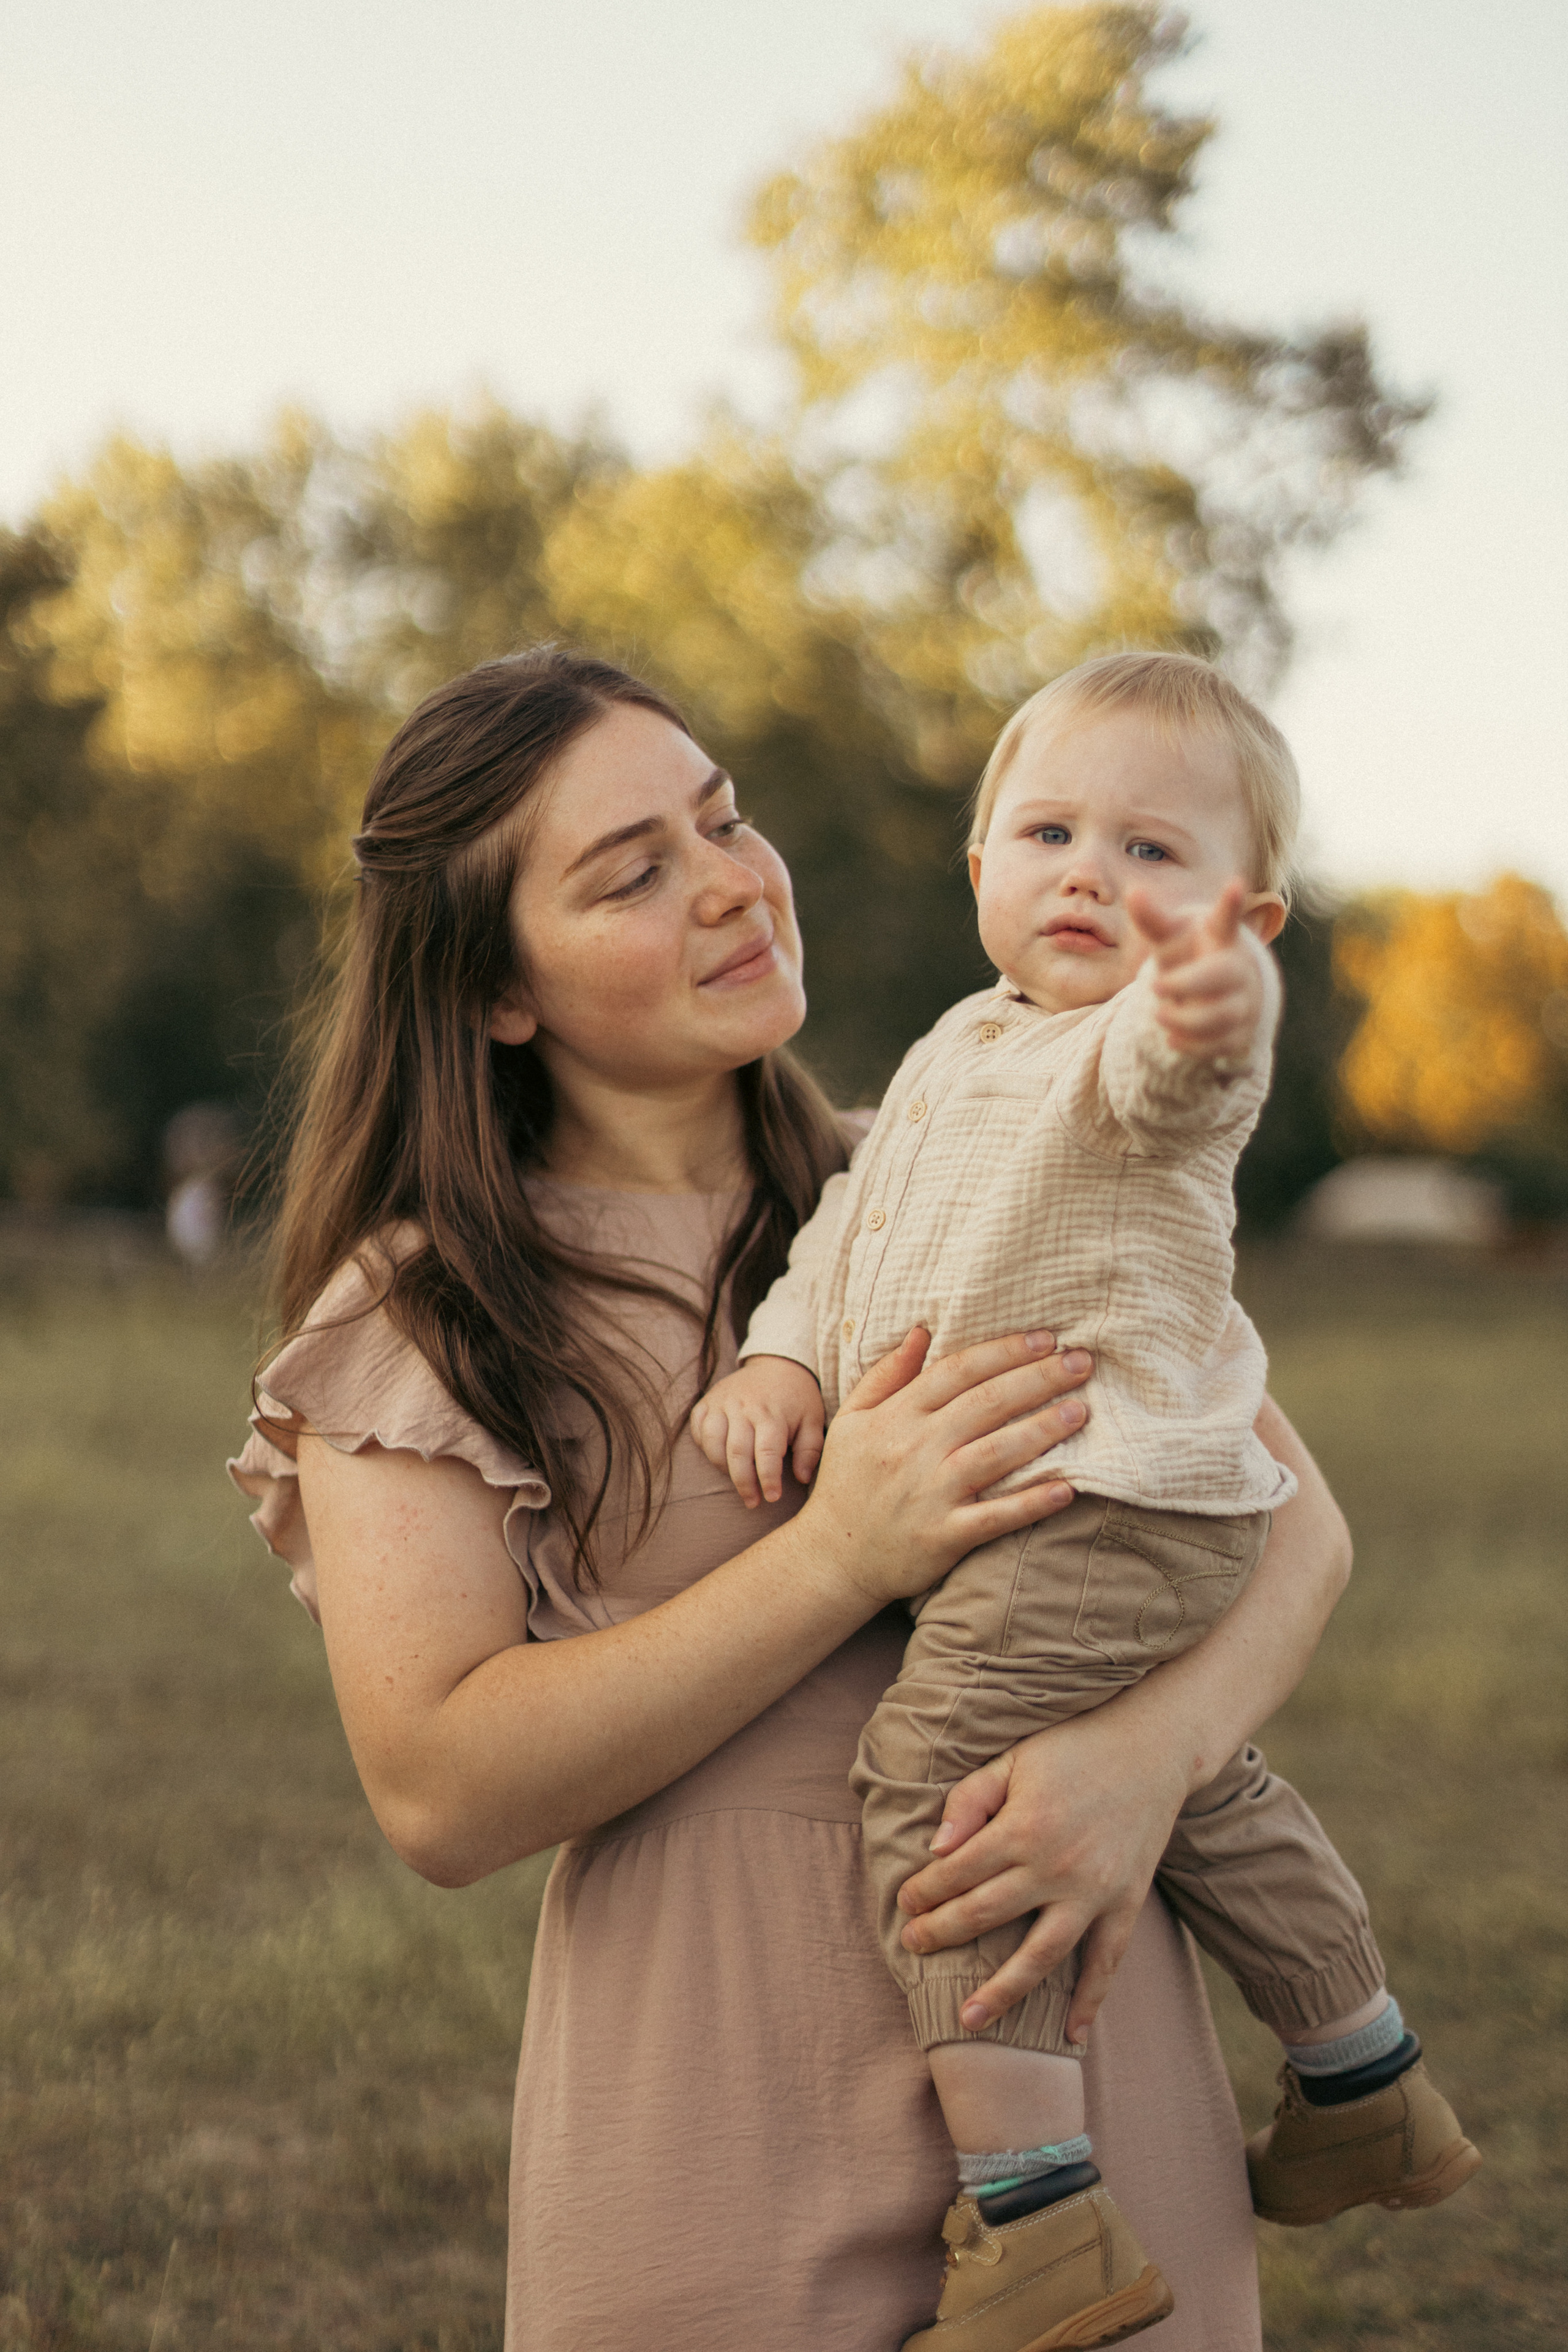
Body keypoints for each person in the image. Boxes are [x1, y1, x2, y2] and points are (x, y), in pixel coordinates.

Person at [229, 646, 1363, 2352]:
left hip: (1077, 2062)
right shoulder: (426, 1309)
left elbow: (1300, 1525)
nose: (729, 887)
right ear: (495, 991)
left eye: (722, 820)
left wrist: (1151, 1758)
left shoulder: (972, 1161)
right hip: (712, 2111)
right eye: (634, 872)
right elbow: (440, 1791)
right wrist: (841, 1553)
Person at [693, 654, 1479, 2350]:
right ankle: (1365, 2075)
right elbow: (849, 1243)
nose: (1091, 877)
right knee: (1194, 1789)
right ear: (977, 865)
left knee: (932, 1781)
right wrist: (783, 1368)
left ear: (1241, 919)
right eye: (1050, 831)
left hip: (1102, 1503)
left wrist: (1210, 1002)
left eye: (1153, 855)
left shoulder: (1140, 1057)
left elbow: (1179, 1078)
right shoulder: (953, 1053)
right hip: (1095, 1512)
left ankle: (1037, 2218)